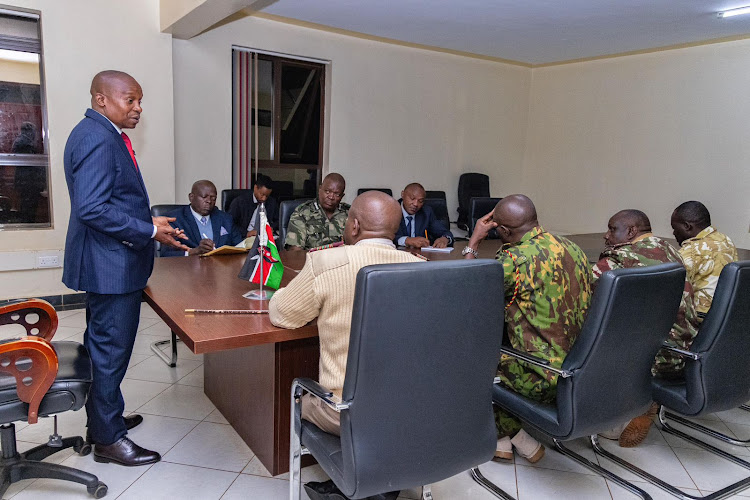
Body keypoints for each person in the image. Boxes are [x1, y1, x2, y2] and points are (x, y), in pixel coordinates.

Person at [63, 70, 188, 466]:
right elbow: (93, 208)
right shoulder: (97, 138)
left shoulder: (102, 133)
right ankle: (108, 440)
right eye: (129, 100)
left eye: (139, 101)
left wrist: (151, 228)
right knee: (110, 352)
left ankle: (105, 421)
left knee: (106, 347)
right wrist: (149, 229)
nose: (137, 108)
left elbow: (111, 202)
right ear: (101, 99)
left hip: (110, 261)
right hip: (110, 266)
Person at [269, 191, 423, 500]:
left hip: (344, 412)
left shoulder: (326, 262)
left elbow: (282, 314)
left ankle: (355, 483)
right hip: (411, 408)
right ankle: (380, 483)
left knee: (299, 395)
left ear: (352, 226)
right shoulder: (421, 266)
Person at [464, 194, 591, 463]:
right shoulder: (573, 248)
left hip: (540, 376)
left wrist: (474, 241)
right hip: (581, 369)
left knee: (468, 357)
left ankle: (511, 435)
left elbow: (469, 294)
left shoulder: (514, 259)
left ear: (505, 231)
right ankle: (512, 440)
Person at [593, 209, 700, 447]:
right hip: (687, 351)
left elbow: (585, 294)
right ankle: (643, 403)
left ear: (631, 231)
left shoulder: (620, 257)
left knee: (587, 333)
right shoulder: (671, 249)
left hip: (651, 358)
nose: (606, 235)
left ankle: (618, 412)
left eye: (612, 229)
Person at [671, 201, 738, 319]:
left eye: (675, 228)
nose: (674, 233)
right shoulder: (726, 241)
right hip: (726, 317)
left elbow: (669, 288)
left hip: (699, 320)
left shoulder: (692, 251)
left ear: (687, 226)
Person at [160, 180, 244, 257]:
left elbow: (239, 247)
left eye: (213, 198)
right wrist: (193, 252)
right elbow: (166, 254)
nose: (209, 201)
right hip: (188, 269)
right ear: (191, 197)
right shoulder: (175, 219)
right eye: (204, 197)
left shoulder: (225, 219)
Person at [285, 173, 349, 250]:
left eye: (337, 194)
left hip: (342, 260)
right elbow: (295, 251)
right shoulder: (302, 213)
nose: (331, 197)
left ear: (342, 196)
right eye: (327, 191)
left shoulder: (350, 213)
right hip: (311, 260)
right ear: (320, 189)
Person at [393, 182, 453, 248]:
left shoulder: (426, 212)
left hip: (421, 255)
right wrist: (407, 240)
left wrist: (445, 238)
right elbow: (385, 237)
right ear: (402, 194)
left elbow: (445, 232)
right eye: (412, 198)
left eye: (420, 201)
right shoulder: (391, 210)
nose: (416, 204)